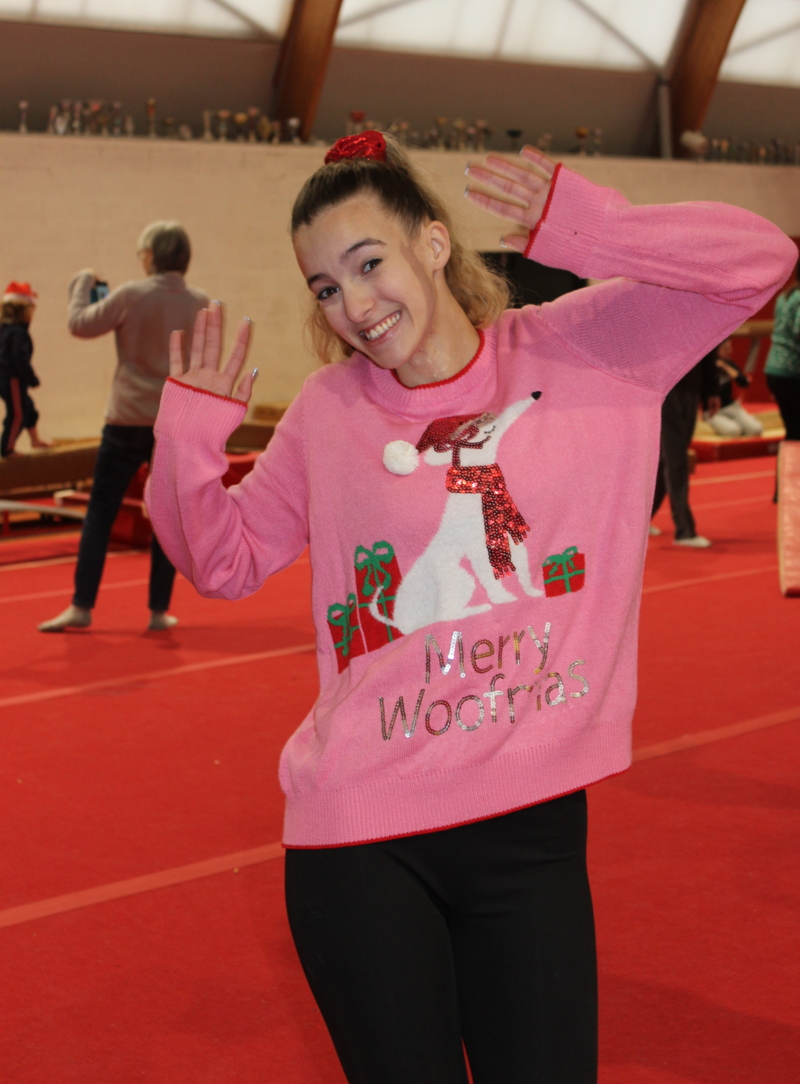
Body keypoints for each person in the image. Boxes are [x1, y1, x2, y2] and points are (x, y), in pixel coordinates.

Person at [145, 133, 797, 1084]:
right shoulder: (330, 412)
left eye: (368, 263)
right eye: (325, 287)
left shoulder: (582, 348)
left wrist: (587, 224)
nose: (355, 305)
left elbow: (761, 261)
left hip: (531, 836)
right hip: (360, 843)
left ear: (434, 242)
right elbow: (223, 561)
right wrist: (187, 440)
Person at [39, 222, 207, 633]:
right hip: (171, 421)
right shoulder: (200, 303)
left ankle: (81, 605)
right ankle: (158, 611)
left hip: (126, 419)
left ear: (151, 255)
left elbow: (80, 323)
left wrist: (82, 282)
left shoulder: (132, 295)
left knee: (101, 513)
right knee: (165, 518)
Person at [649, 350, 720, 547]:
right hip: (664, 387)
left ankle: (641, 519)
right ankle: (684, 530)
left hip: (690, 385)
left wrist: (712, 390)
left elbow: (707, 347)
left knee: (669, 458)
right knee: (676, 457)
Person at [0, 281, 51, 456]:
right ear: (22, 311)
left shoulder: (6, 330)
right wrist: (32, 378)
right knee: (17, 414)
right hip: (11, 377)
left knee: (28, 407)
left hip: (10, 377)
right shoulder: (17, 333)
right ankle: (7, 449)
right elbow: (18, 359)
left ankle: (35, 440)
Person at [765, 264, 800, 442]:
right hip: (790, 370)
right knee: (796, 431)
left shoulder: (785, 296)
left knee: (792, 429)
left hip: (774, 367)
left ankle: (787, 459)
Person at [706, 338, 763, 437]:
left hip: (731, 407)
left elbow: (744, 382)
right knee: (733, 431)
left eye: (730, 348)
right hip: (713, 411)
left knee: (756, 429)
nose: (730, 351)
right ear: (717, 350)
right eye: (726, 349)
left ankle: (735, 423)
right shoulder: (708, 368)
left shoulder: (729, 364)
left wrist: (725, 367)